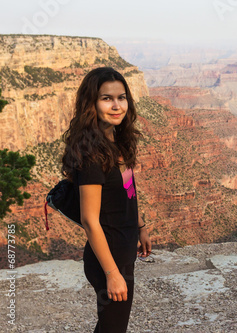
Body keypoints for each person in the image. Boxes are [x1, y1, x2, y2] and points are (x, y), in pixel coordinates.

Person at [61, 67, 152, 332]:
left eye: (121, 97)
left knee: (111, 324)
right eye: (106, 98)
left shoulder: (116, 139)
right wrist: (112, 274)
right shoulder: (91, 155)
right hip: (108, 258)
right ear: (92, 103)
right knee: (113, 328)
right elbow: (90, 220)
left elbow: (128, 190)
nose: (116, 105)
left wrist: (141, 226)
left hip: (122, 250)